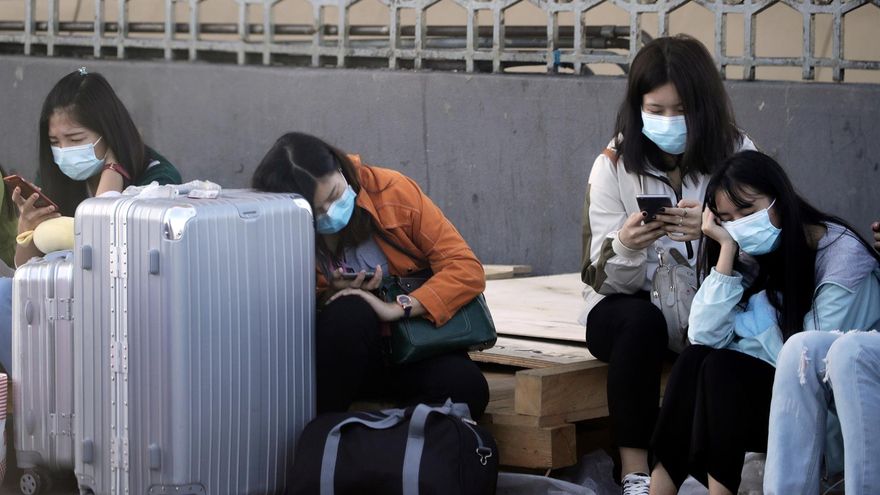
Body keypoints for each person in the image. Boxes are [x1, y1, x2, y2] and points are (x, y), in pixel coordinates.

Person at [579, 35, 754, 494]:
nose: (670, 121)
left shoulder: (738, 153)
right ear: (638, 106)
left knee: (719, 351)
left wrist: (717, 231)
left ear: (704, 106)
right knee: (640, 323)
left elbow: (766, 240)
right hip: (629, 308)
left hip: (710, 303)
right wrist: (626, 245)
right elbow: (596, 275)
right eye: (656, 110)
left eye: (682, 110)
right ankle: (635, 472)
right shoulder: (613, 164)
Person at [648, 150, 880, 495]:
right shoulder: (754, 251)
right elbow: (704, 334)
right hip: (782, 400)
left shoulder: (844, 260)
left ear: (779, 200)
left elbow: (807, 358)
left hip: (829, 416)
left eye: (748, 211)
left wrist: (743, 329)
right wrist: (726, 249)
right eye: (727, 219)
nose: (740, 225)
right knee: (696, 360)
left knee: (721, 370)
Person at [252, 132, 490, 419]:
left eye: (334, 196)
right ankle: (326, 430)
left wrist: (395, 308)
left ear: (340, 168)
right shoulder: (283, 224)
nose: (329, 213)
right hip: (342, 359)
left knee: (467, 388)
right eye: (317, 212)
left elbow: (465, 268)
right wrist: (330, 293)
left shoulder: (391, 191)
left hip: (416, 345)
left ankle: (372, 429)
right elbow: (279, 312)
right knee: (350, 311)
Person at [13, 68, 181, 267]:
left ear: (108, 133)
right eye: (54, 142)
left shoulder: (159, 180)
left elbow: (102, 251)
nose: (64, 151)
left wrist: (113, 170)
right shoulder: (54, 174)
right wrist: (27, 228)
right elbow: (23, 268)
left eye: (75, 139)